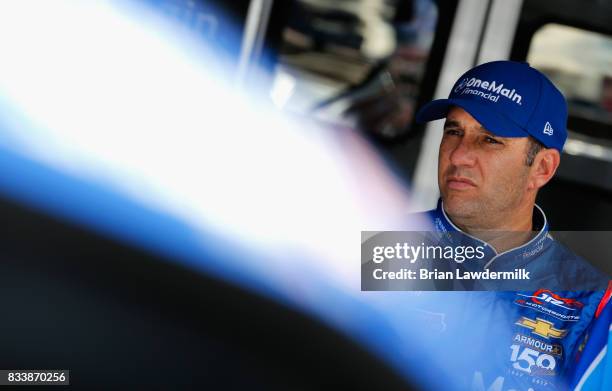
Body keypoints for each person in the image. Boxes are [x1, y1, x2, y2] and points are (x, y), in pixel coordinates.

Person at [411, 60, 610, 390]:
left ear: (542, 168)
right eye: (453, 131)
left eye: (489, 140)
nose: (459, 156)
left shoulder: (593, 303)